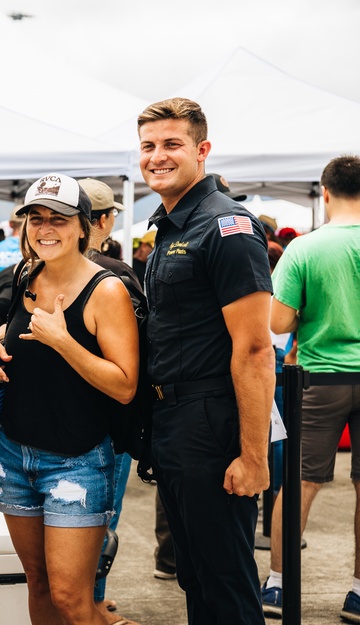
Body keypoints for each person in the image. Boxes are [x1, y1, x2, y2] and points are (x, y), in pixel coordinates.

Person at [0, 173, 139, 625]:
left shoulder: (106, 290)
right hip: (12, 454)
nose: (45, 228)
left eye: (59, 219)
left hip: (77, 461)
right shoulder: (24, 275)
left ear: (84, 227)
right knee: (38, 583)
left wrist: (64, 342)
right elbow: (4, 334)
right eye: (36, 218)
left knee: (71, 597)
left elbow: (125, 384)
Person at [137, 97, 273, 625]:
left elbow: (256, 350)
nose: (157, 157)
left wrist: (254, 456)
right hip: (172, 421)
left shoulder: (225, 226)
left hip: (211, 419)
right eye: (148, 146)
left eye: (172, 144)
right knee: (194, 575)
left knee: (226, 582)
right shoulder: (170, 225)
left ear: (202, 150)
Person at [262, 154, 360, 621]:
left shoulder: (305, 248)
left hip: (322, 377)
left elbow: (278, 322)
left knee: (298, 484)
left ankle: (279, 585)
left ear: (324, 193)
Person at [78, 178, 144, 625]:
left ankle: (85, 600)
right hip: (106, 423)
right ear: (101, 221)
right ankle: (92, 601)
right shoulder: (115, 276)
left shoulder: (30, 272)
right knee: (102, 520)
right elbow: (135, 363)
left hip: (51, 425)